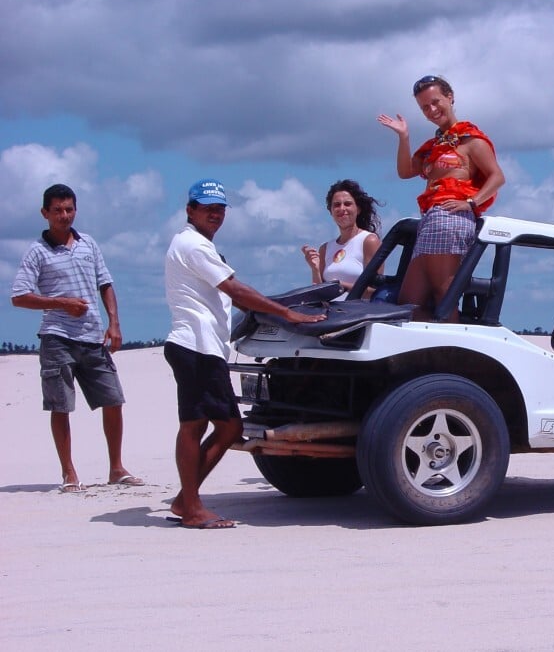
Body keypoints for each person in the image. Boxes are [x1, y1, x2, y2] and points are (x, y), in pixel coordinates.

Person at [164, 179, 326, 529]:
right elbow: (234, 288)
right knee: (210, 426)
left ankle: (185, 500)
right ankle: (190, 507)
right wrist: (287, 314)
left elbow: (233, 297)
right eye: (207, 207)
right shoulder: (193, 246)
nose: (215, 214)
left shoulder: (201, 247)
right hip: (195, 346)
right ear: (190, 210)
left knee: (218, 426)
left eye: (220, 208)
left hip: (205, 347)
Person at [10, 183, 143, 492]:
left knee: (113, 400)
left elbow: (105, 283)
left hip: (92, 336)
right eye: (57, 210)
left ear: (75, 210)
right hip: (56, 337)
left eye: (68, 209)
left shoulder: (89, 244)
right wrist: (61, 303)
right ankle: (69, 473)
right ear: (45, 213)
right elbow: (19, 296)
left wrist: (114, 324)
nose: (64, 216)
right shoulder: (36, 251)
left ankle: (116, 468)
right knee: (61, 406)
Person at [378, 74, 505, 321]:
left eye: (436, 102)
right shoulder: (433, 146)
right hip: (430, 220)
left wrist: (470, 202)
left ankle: (455, 353)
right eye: (425, 107)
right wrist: (403, 137)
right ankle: (432, 352)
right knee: (409, 305)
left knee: (443, 296)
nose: (432, 110)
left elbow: (497, 177)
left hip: (450, 220)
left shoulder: (471, 140)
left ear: (450, 97)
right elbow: (405, 172)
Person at [301, 179, 382, 299]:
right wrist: (315, 270)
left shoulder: (369, 241)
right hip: (330, 314)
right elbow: (318, 295)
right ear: (331, 211)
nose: (342, 208)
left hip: (358, 314)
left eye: (347, 204)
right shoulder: (325, 248)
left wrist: (340, 285)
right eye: (337, 205)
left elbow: (374, 290)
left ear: (358, 209)